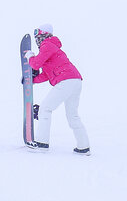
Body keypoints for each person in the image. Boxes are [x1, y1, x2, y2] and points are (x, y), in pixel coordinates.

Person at [28, 24, 90, 155]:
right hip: (75, 80)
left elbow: (35, 64)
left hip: (66, 80)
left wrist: (30, 57)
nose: (37, 40)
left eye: (38, 36)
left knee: (45, 109)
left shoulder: (47, 45)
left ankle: (42, 143)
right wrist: (32, 80)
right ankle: (83, 147)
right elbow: (46, 74)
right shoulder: (51, 48)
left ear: (44, 35)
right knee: (72, 116)